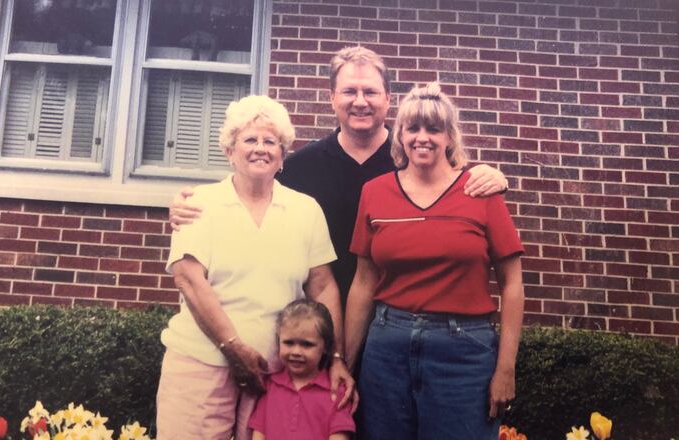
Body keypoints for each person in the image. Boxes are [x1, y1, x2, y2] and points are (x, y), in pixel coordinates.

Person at [171, 46, 508, 307]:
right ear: (332, 98)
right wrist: (185, 203)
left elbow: (454, 180)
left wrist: (492, 175)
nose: (360, 102)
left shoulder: (415, 160)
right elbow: (248, 193)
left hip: (393, 323)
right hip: (316, 323)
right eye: (349, 92)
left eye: (370, 92)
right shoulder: (299, 167)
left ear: (388, 99)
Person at [156, 95, 352, 440]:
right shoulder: (199, 204)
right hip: (199, 364)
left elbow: (323, 286)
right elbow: (188, 279)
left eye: (270, 141)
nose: (260, 148)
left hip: (272, 375)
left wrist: (336, 356)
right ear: (230, 150)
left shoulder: (305, 210)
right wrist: (233, 348)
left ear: (282, 154)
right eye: (249, 139)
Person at [344, 82, 525, 439]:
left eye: (433, 128)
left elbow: (512, 284)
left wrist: (506, 368)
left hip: (462, 353)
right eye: (413, 128)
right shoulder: (375, 192)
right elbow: (363, 283)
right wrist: (346, 366)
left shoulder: (480, 191)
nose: (422, 138)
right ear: (400, 136)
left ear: (449, 137)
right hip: (386, 349)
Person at [249, 299, 355, 440]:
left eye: (307, 344)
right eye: (289, 343)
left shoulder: (337, 391)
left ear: (326, 347)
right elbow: (259, 432)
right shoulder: (269, 385)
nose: (296, 351)